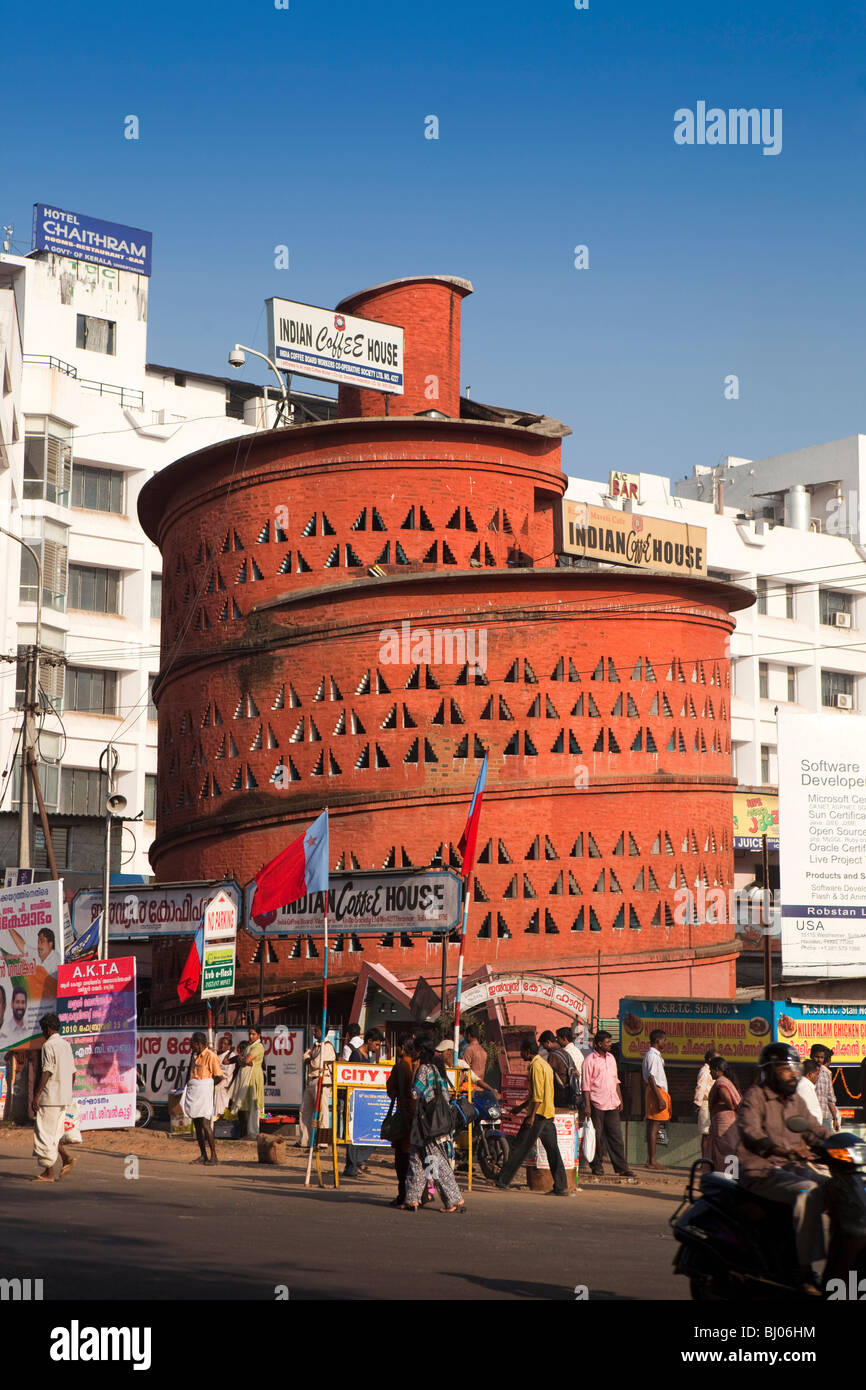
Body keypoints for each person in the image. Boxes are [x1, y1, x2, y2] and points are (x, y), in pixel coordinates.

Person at [736, 1042, 829, 1295]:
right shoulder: (755, 1097)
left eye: (794, 1068)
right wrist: (779, 1149)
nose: (792, 1074)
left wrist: (838, 1144)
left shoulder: (794, 1099)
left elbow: (813, 1128)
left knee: (835, 1187)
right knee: (807, 1192)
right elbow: (750, 1131)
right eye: (785, 1069)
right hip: (761, 1171)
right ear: (769, 1071)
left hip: (791, 1168)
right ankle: (803, 1270)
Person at [496, 1036, 570, 1195]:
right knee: (553, 1151)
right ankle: (561, 1186)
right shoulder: (545, 1065)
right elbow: (540, 1093)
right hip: (547, 1114)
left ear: (528, 1052)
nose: (521, 1054)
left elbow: (537, 1095)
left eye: (522, 1051)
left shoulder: (536, 1066)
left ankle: (503, 1179)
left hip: (537, 1115)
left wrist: (530, 1116)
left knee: (519, 1148)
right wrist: (521, 1107)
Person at [403, 1033, 465, 1212]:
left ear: (420, 1051)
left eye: (414, 1049)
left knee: (435, 1161)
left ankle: (454, 1199)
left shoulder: (424, 1069)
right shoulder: (438, 1069)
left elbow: (415, 1093)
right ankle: (412, 1199)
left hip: (427, 1125)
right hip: (434, 1122)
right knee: (416, 1159)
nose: (412, 1052)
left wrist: (414, 1070)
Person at [581, 1030, 637, 1181]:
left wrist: (620, 1099)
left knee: (616, 1137)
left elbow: (615, 1080)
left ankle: (622, 1168)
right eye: (607, 1042)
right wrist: (587, 1106)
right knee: (597, 1137)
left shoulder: (611, 1058)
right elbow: (585, 1086)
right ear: (599, 1044)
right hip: (595, 1103)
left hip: (612, 1102)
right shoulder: (589, 1061)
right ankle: (597, 1167)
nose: (610, 1045)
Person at [32, 1013, 75, 1183]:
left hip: (50, 1098)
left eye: (43, 1029)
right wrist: (67, 1092)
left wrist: (37, 1094)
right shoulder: (66, 1045)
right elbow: (73, 1073)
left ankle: (48, 1172)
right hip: (64, 1097)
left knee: (44, 1135)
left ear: (48, 1029)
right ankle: (65, 1158)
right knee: (54, 1134)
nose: (43, 1033)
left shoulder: (48, 1046)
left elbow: (47, 1070)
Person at [343, 1027, 384, 1177]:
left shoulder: (366, 1055)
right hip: (356, 1101)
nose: (377, 1048)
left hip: (365, 1102)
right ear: (369, 1041)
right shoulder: (356, 1055)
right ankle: (352, 1166)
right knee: (354, 1135)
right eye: (377, 1044)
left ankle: (358, 1162)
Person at [182, 1031, 223, 1165]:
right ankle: (203, 1155)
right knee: (197, 1125)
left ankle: (214, 1156)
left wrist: (207, 1087)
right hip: (195, 1093)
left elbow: (219, 1076)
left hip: (204, 1094)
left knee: (206, 1124)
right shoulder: (194, 1056)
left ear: (199, 1044)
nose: (191, 1047)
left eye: (192, 1044)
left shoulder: (211, 1056)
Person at [386, 1036, 415, 1207]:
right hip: (419, 1118)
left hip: (404, 1117)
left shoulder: (400, 1067)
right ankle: (425, 1193)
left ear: (402, 1047)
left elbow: (390, 1090)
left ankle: (404, 1195)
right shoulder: (421, 1066)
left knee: (402, 1160)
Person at [299, 1025, 336, 1148]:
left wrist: (309, 1058)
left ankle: (322, 1141)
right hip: (311, 1079)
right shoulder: (315, 1046)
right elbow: (305, 1058)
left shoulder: (327, 1047)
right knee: (305, 1110)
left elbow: (315, 1063)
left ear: (323, 1031)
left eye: (316, 1030)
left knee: (322, 1111)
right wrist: (309, 1058)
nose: (314, 1033)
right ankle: (305, 1140)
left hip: (322, 1079)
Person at [706, 1056, 741, 1172]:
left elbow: (730, 1103)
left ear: (716, 1069)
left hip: (723, 1123)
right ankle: (729, 1175)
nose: (710, 1072)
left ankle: (725, 1176)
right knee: (729, 1149)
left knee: (725, 1150)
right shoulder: (727, 1081)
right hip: (729, 1121)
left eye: (711, 1070)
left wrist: (721, 1106)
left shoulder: (721, 1082)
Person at [230, 1026, 265, 1137]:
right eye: (249, 1034)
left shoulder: (258, 1046)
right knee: (247, 1105)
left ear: (258, 1035)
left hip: (254, 1076)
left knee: (254, 1106)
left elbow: (246, 1060)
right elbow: (242, 1060)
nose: (250, 1036)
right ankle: (248, 1132)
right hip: (246, 1077)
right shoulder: (250, 1046)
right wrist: (243, 1060)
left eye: (253, 1034)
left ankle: (254, 1133)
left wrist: (244, 1060)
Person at [642, 1029, 670, 1168]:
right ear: (658, 1041)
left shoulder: (654, 1055)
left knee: (654, 1124)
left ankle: (651, 1159)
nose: (665, 1043)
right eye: (664, 1040)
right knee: (654, 1125)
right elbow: (652, 1077)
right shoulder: (652, 1056)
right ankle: (652, 1160)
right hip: (656, 1091)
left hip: (656, 1091)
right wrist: (659, 1098)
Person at [810, 1045, 840, 1131]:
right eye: (817, 1057)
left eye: (821, 1057)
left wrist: (835, 1119)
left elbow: (830, 1100)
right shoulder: (805, 1072)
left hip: (825, 1117)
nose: (819, 1059)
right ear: (811, 1056)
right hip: (811, 1117)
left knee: (827, 1143)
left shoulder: (826, 1074)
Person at [693, 1048, 715, 1159]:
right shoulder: (705, 1071)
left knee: (710, 1134)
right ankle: (704, 1161)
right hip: (705, 1104)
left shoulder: (711, 1071)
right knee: (706, 1134)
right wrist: (698, 1103)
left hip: (710, 1105)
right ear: (711, 1059)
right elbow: (700, 1087)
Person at [213, 1033, 239, 1119]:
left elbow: (228, 1072)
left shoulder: (232, 1056)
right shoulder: (216, 1054)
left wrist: (218, 1075)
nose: (222, 1045)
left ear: (229, 1046)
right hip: (216, 1083)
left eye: (225, 1044)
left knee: (223, 1105)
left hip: (225, 1084)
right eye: (221, 1043)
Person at [797, 1058, 824, 1124]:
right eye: (817, 1074)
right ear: (810, 1074)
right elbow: (806, 1112)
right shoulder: (804, 1087)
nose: (818, 1077)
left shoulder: (805, 1085)